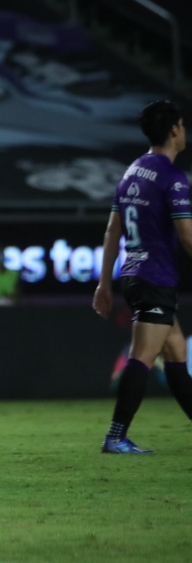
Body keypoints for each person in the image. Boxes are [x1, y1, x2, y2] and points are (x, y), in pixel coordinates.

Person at [93, 100, 192, 454]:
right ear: (175, 129)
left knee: (176, 350)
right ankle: (115, 436)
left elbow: (112, 231)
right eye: (183, 125)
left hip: (134, 274)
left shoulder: (132, 172)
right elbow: (187, 236)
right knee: (143, 357)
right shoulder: (172, 178)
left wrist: (105, 282)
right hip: (155, 277)